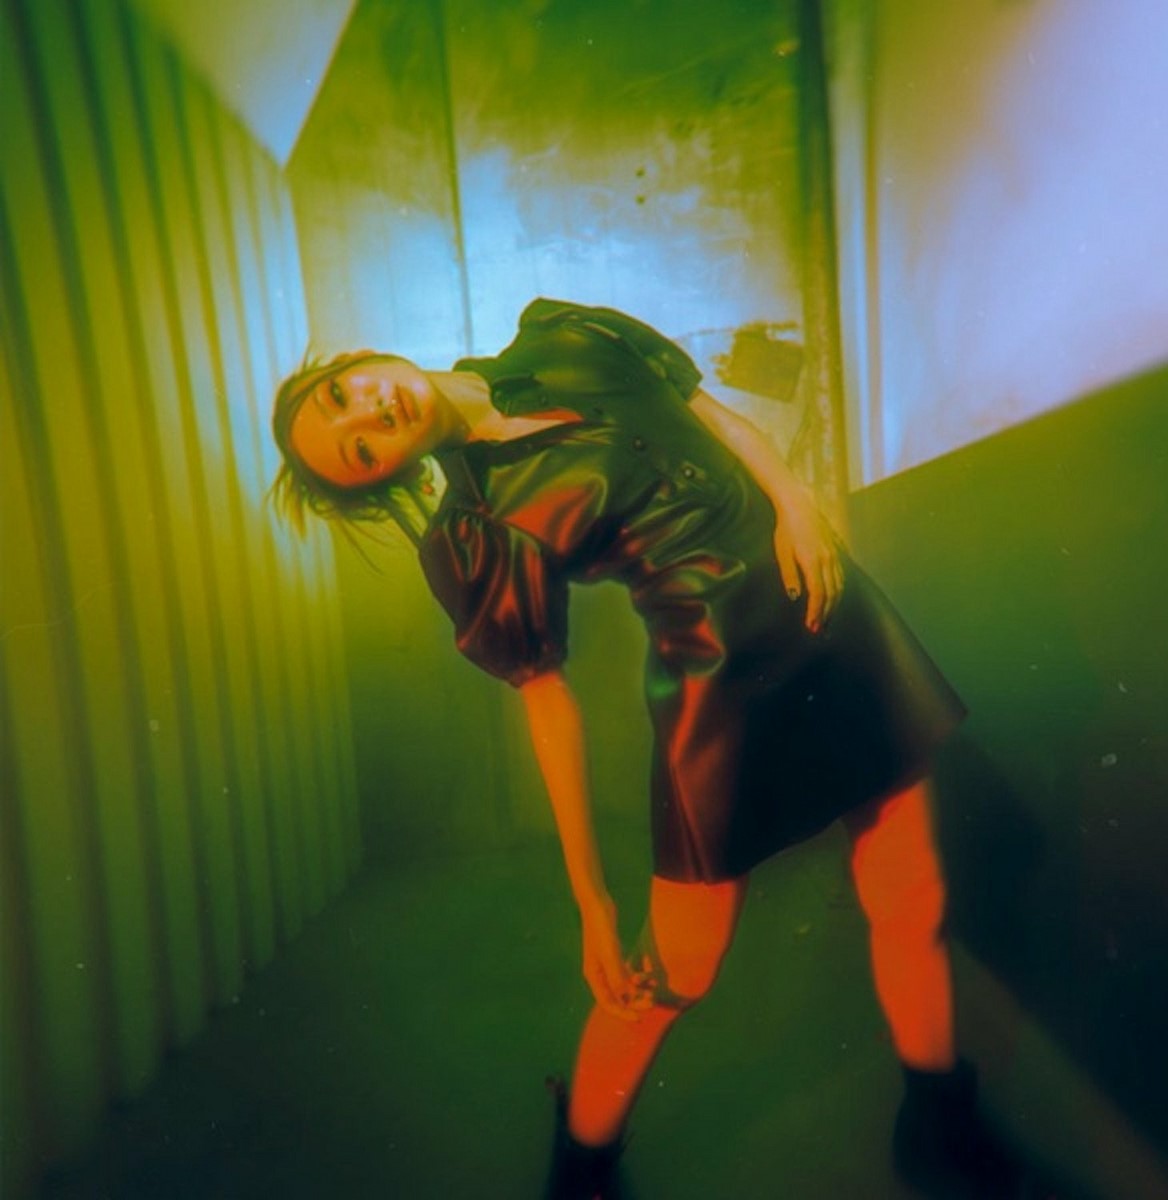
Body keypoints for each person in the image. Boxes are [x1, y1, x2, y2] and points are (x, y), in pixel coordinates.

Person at [271, 298, 1019, 1199]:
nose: (370, 414)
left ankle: (938, 1121)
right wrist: (591, 900)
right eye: (358, 449)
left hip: (834, 622)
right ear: (386, 475)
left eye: (342, 394)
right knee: (678, 971)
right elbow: (546, 703)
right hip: (719, 686)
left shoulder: (564, 335)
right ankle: (583, 1161)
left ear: (355, 360)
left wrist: (795, 501)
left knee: (911, 896)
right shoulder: (477, 529)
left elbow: (710, 415)